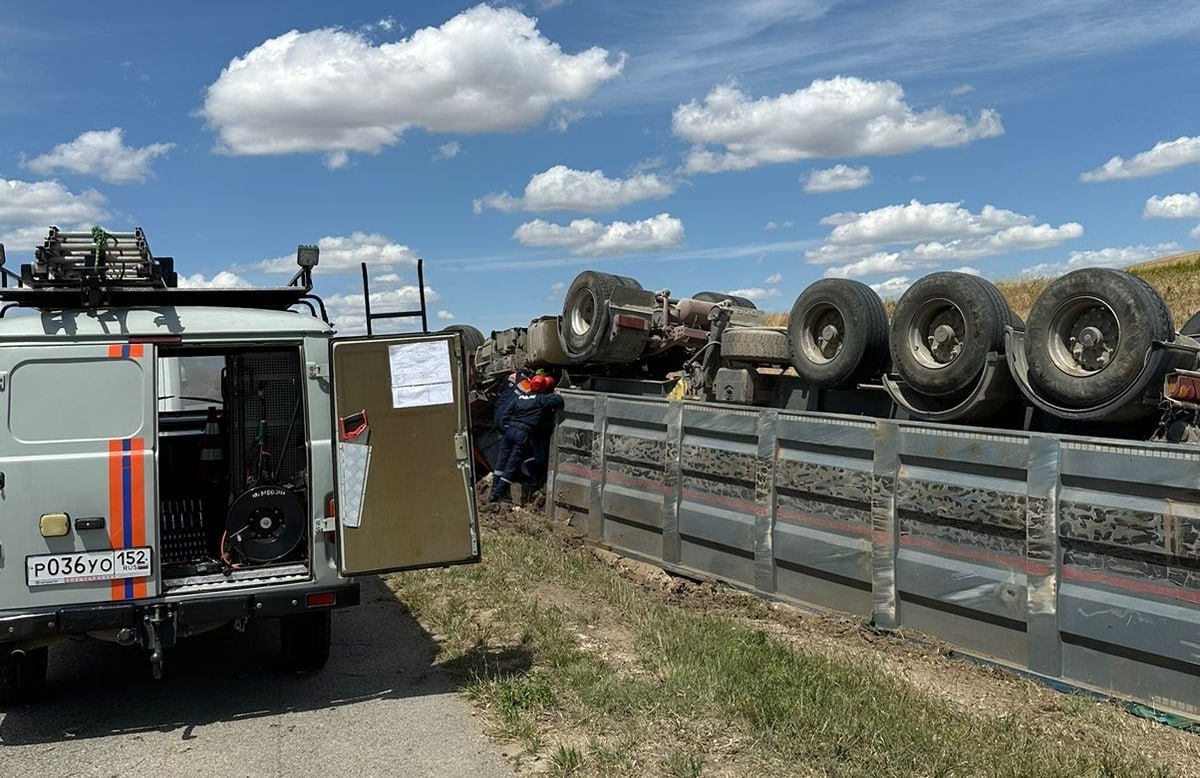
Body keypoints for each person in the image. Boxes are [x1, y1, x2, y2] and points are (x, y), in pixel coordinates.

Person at [489, 373, 563, 503]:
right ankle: (497, 495)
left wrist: (508, 428)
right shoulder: (541, 399)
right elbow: (558, 400)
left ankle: (494, 489)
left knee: (501, 461)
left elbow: (505, 414)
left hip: (510, 431)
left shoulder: (519, 397)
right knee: (511, 465)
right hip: (522, 433)